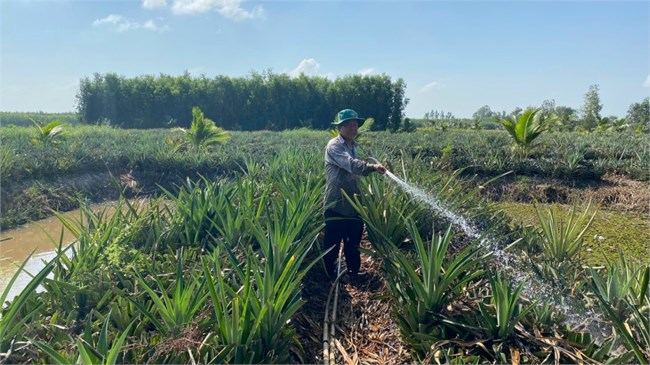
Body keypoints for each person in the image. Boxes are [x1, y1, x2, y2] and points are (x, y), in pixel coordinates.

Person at [323, 108, 387, 282]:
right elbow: (351, 165)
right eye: (348, 125)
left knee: (353, 242)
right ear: (340, 127)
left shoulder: (353, 146)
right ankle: (328, 275)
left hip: (354, 203)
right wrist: (372, 167)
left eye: (355, 125)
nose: (353, 128)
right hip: (336, 203)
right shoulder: (334, 145)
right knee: (332, 243)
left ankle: (353, 273)